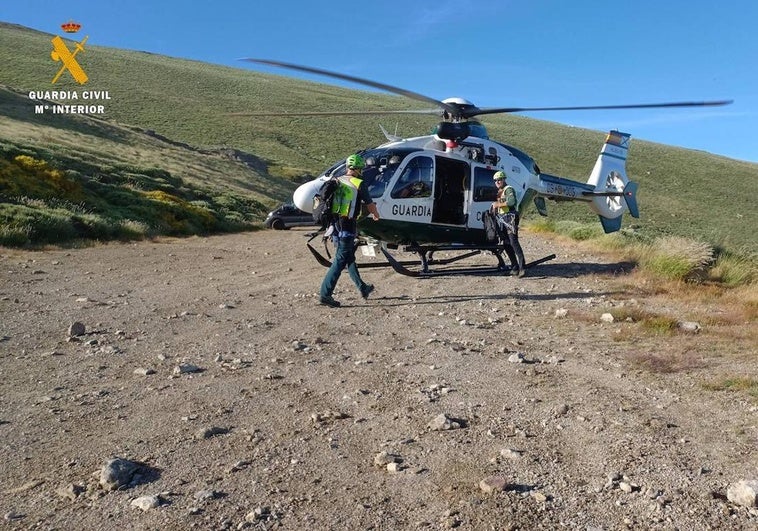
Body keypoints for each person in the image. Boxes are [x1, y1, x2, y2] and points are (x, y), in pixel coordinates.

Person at [319, 154, 381, 307]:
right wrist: (376, 215)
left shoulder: (337, 181)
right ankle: (325, 294)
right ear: (359, 169)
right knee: (340, 261)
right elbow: (369, 203)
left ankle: (363, 288)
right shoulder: (358, 183)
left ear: (347, 167)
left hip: (334, 227)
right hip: (347, 227)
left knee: (348, 257)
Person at [491, 171, 526, 277]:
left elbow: (511, 202)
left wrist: (498, 205)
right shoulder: (500, 191)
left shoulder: (508, 189)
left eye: (499, 180)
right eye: (495, 180)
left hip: (510, 218)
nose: (497, 182)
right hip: (502, 219)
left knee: (513, 242)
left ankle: (522, 267)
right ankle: (514, 267)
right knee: (506, 243)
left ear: (504, 179)